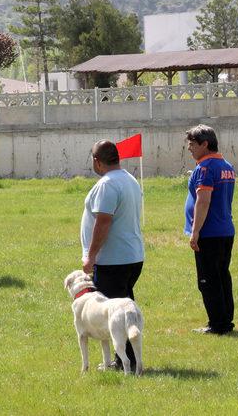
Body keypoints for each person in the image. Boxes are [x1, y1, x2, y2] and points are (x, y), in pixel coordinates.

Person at [80, 140, 144, 371]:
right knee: (126, 308)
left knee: (114, 313)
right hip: (132, 255)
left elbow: (103, 222)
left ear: (97, 161)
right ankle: (129, 357)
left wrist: (91, 255)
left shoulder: (107, 184)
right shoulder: (130, 179)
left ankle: (123, 361)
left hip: (113, 259)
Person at [184, 125, 236, 335]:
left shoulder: (204, 168)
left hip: (209, 233)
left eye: (193, 144)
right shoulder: (226, 165)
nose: (189, 148)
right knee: (222, 276)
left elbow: (203, 201)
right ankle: (226, 319)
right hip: (225, 230)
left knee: (208, 280)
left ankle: (218, 324)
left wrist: (195, 232)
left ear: (205, 144)